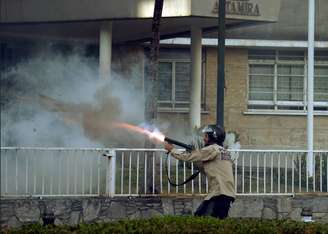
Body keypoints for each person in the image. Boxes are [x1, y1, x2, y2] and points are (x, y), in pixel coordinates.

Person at [164, 124, 235, 219]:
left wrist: (172, 149)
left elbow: (188, 157)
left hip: (219, 194)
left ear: (213, 137)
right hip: (225, 194)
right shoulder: (223, 151)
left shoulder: (212, 149)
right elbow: (207, 168)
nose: (204, 138)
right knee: (205, 220)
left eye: (206, 136)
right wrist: (195, 155)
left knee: (202, 220)